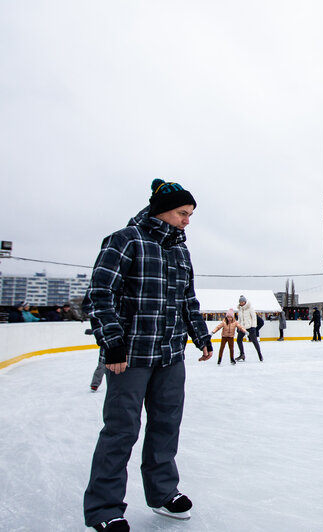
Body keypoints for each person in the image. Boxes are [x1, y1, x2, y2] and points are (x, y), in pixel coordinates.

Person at [82, 179, 213, 531]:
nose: (188, 221)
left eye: (190, 215)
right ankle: (104, 508)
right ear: (162, 211)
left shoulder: (180, 251)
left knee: (166, 426)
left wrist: (200, 336)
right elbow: (98, 295)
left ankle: (163, 493)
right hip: (131, 356)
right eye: (183, 213)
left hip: (170, 355)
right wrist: (112, 343)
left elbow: (188, 300)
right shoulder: (125, 241)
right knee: (121, 430)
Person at [235, 295, 263, 362]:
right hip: (242, 327)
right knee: (238, 340)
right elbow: (239, 319)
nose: (241, 303)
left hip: (250, 327)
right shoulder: (239, 309)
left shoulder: (250, 308)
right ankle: (242, 354)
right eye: (240, 302)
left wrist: (253, 327)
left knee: (254, 341)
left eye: (242, 302)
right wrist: (238, 326)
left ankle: (259, 354)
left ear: (245, 302)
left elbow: (254, 318)